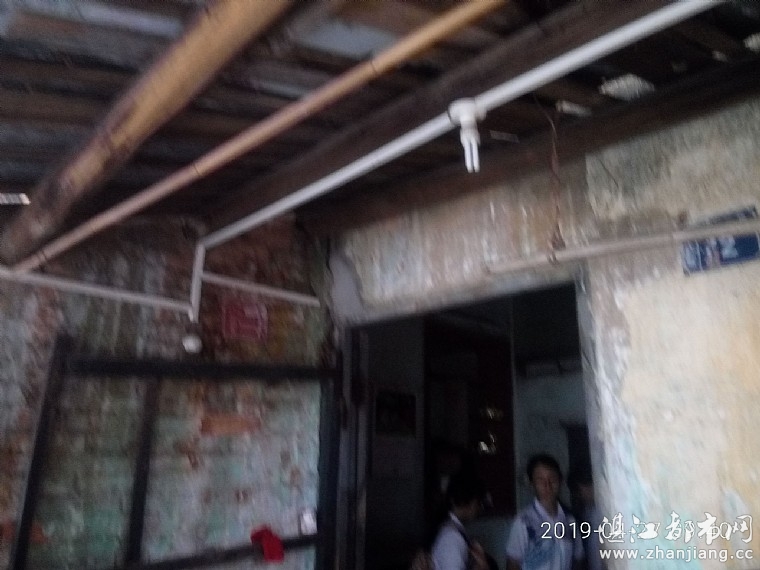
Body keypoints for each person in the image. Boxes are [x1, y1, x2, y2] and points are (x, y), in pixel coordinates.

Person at [506, 454, 584, 570]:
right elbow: (513, 563)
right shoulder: (523, 522)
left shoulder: (569, 520)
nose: (547, 485)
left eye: (552, 478)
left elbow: (578, 559)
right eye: (540, 480)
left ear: (560, 480)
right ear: (532, 484)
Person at [430, 469, 491, 570]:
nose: (480, 508)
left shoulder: (452, 531)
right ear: (471, 502)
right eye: (479, 503)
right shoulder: (452, 538)